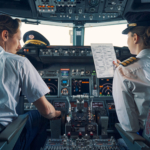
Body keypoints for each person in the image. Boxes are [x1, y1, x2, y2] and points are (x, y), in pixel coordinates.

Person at [0, 14, 61, 150]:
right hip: (3, 139)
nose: (20, 46)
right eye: (18, 40)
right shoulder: (18, 62)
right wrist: (58, 113)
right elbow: (46, 110)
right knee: (39, 116)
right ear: (5, 35)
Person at [113, 12, 150, 149]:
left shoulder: (125, 71)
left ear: (135, 38)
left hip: (146, 141)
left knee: (120, 141)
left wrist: (120, 73)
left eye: (128, 36)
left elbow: (129, 126)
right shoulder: (125, 70)